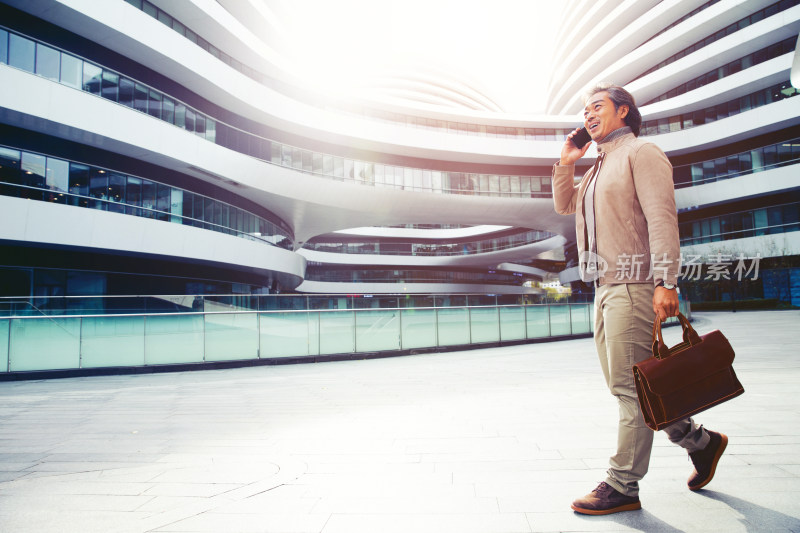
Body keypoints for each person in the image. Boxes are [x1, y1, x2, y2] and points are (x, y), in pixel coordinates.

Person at [551, 83, 728, 515]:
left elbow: (662, 216)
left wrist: (667, 280)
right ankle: (702, 444)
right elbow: (564, 206)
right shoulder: (595, 169)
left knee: (630, 389)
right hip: (604, 288)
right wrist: (566, 163)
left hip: (634, 283)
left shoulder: (641, 153)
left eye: (597, 107)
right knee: (630, 386)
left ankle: (623, 484)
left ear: (624, 111)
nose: (588, 115)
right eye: (585, 110)